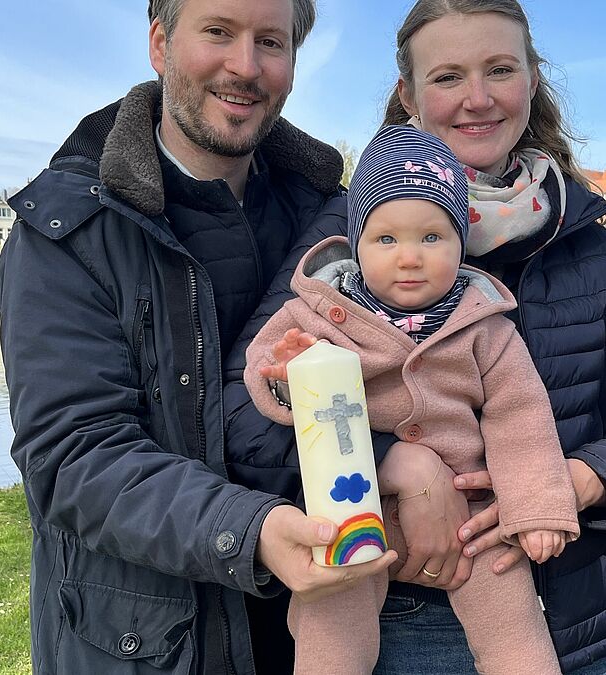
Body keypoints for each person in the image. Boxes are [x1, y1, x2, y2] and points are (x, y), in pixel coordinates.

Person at [223, 1, 606, 673]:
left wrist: (566, 485)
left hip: (579, 616)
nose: (477, 98)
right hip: (401, 613)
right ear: (409, 95)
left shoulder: (590, 248)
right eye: (449, 76)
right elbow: (242, 412)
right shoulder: (342, 242)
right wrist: (391, 462)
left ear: (532, 79)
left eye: (499, 69)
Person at [0, 0, 396, 672]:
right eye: (218, 32)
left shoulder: (335, 218)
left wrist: (402, 461)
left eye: (270, 40)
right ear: (160, 43)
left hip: (311, 635)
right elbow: (74, 457)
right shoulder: (64, 232)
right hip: (143, 647)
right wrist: (252, 529)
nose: (245, 65)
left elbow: (395, 375)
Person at [244, 123, 579, 674]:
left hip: (467, 519)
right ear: (356, 244)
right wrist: (287, 374)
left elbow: (521, 418)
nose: (410, 258)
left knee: (511, 617)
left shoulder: (483, 324)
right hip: (351, 504)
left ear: (459, 244)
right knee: (331, 620)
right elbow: (263, 373)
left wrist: (537, 508)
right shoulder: (321, 310)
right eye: (386, 239)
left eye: (432, 237)